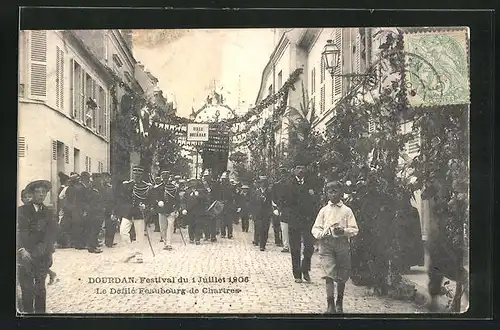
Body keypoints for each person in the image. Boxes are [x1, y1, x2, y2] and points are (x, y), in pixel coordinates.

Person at [311, 181, 359, 314]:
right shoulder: (324, 210)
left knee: (342, 275)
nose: (332, 194)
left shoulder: (347, 211)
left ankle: (339, 303)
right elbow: (315, 228)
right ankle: (330, 304)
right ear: (326, 194)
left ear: (341, 193)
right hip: (326, 245)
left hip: (342, 245)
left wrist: (343, 231)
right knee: (329, 273)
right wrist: (322, 234)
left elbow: (355, 229)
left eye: (335, 191)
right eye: (330, 192)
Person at [17, 180, 57, 313]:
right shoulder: (22, 211)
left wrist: (49, 253)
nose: (41, 195)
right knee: (27, 289)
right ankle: (28, 316)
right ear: (32, 194)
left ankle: (40, 317)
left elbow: (51, 234)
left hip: (42, 255)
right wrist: (21, 249)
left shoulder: (48, 212)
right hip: (25, 255)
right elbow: (17, 231)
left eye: (44, 192)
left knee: (40, 288)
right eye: (38, 192)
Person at [283, 163, 319, 283]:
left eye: (302, 167)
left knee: (309, 247)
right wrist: (288, 215)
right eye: (298, 168)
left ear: (306, 169)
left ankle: (305, 268)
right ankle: (297, 273)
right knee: (295, 248)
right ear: (293, 170)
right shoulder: (288, 184)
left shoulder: (311, 183)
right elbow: (284, 202)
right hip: (294, 220)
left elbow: (315, 201)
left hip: (308, 220)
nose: (300, 170)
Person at [116, 165, 153, 263]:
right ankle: (130, 252)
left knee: (139, 235)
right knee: (123, 232)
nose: (137, 176)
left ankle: (139, 255)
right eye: (135, 174)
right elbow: (122, 199)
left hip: (139, 213)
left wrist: (145, 206)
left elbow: (150, 201)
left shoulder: (146, 187)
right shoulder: (127, 185)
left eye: (139, 175)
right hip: (127, 213)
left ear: (142, 175)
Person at [154, 170, 180, 250]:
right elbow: (155, 199)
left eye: (166, 177)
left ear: (169, 178)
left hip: (171, 210)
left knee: (170, 226)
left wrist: (176, 209)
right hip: (161, 211)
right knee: (163, 228)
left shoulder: (174, 188)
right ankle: (165, 242)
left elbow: (177, 200)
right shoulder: (158, 188)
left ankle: (169, 243)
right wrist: (158, 203)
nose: (165, 179)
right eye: (164, 177)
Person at [184, 179, 209, 245]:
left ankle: (197, 238)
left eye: (194, 186)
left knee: (198, 225)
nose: (193, 188)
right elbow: (184, 201)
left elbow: (206, 199)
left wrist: (198, 196)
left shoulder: (202, 191)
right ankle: (191, 238)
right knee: (191, 225)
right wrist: (184, 209)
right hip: (190, 211)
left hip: (199, 211)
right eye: (192, 186)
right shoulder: (187, 192)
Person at [86, 173, 104, 254]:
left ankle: (93, 246)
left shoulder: (96, 188)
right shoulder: (91, 189)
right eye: (99, 179)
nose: (100, 180)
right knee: (94, 230)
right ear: (95, 179)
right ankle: (92, 247)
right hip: (94, 213)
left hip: (97, 212)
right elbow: (90, 201)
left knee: (95, 230)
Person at [254, 176, 273, 251]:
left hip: (266, 213)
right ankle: (260, 244)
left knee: (265, 229)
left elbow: (271, 202)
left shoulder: (269, 192)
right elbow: (253, 203)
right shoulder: (256, 192)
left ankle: (263, 244)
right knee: (260, 228)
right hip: (258, 213)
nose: (263, 184)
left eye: (264, 182)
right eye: (261, 182)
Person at [273, 167, 290, 252]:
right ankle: (285, 245)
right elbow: (274, 197)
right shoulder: (276, 185)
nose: (283, 176)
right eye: (281, 174)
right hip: (281, 209)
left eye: (284, 174)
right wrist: (277, 207)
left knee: (290, 229)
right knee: (283, 228)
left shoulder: (290, 185)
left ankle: (289, 245)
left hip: (290, 210)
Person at [218, 172, 237, 239]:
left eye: (225, 179)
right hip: (222, 205)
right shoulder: (220, 187)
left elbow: (234, 196)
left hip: (229, 205)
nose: (223, 181)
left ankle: (230, 233)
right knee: (222, 221)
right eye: (223, 179)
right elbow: (218, 196)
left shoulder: (231, 187)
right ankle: (223, 233)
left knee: (229, 221)